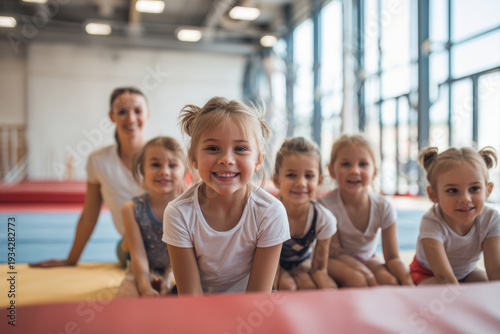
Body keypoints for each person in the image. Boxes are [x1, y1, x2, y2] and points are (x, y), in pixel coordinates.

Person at [163, 97, 290, 295]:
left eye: (240, 149)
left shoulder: (271, 212)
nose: (226, 160)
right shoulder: (178, 213)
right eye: (213, 148)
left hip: (249, 304)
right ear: (193, 158)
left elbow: (258, 295)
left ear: (258, 160)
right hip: (196, 302)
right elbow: (191, 297)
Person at [30, 87, 149, 268]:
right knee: (126, 248)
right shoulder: (99, 160)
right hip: (129, 245)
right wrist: (71, 260)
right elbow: (89, 215)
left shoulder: (163, 157)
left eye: (138, 111)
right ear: (111, 116)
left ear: (147, 114)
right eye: (122, 112)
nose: (131, 118)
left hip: (169, 238)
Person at [318, 134, 413, 287]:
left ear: (374, 172)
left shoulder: (383, 207)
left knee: (390, 281)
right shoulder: (325, 206)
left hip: (368, 258)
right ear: (331, 170)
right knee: (359, 281)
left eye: (363, 164)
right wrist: (361, 270)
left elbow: (393, 258)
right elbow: (335, 253)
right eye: (346, 164)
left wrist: (407, 279)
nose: (355, 170)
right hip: (331, 260)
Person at [410, 146, 500, 285]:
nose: (465, 199)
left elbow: (495, 270)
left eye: (474, 189)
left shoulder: (491, 219)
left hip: (467, 272)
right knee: (439, 292)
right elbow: (444, 277)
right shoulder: (432, 222)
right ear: (433, 194)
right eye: (452, 190)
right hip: (427, 274)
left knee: (485, 286)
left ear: (488, 190)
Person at [115, 137, 187, 297]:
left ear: (185, 170)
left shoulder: (189, 207)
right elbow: (138, 254)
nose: (164, 171)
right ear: (142, 170)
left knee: (184, 293)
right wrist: (144, 285)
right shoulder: (132, 209)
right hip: (143, 269)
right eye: (155, 164)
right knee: (127, 293)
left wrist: (169, 278)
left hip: (180, 269)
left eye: (173, 165)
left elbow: (191, 254)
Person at [272, 137, 338, 290]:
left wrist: (329, 292)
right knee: (287, 287)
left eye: (309, 176)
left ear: (319, 181)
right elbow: (268, 266)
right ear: (276, 180)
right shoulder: (267, 214)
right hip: (271, 265)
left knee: (309, 287)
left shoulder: (323, 219)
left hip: (301, 263)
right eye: (291, 175)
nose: (301, 183)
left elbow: (319, 269)